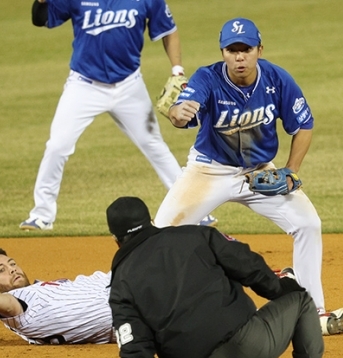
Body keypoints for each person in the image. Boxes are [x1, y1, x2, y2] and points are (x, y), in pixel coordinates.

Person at [154, 17, 343, 334]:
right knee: (159, 235)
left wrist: (290, 170)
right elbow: (182, 110)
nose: (239, 57)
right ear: (223, 53)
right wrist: (179, 114)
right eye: (232, 50)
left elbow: (303, 126)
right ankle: (141, 312)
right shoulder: (208, 78)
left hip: (258, 173)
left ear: (259, 49)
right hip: (209, 171)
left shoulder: (276, 79)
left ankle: (313, 312)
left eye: (245, 49)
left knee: (308, 224)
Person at [106, 196, 343, 358]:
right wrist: (279, 288)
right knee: (300, 299)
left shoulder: (120, 283)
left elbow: (134, 348)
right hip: (253, 346)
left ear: (115, 240)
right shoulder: (194, 235)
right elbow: (248, 265)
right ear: (151, 220)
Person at [19, 0, 216, 231]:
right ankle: (41, 215)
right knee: (57, 146)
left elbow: (169, 31)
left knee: (154, 145)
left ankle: (193, 210)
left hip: (129, 86)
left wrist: (177, 70)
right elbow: (40, 19)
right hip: (84, 86)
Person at [0, 248, 115, 345]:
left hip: (118, 282)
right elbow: (7, 305)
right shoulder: (19, 304)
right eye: (1, 270)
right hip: (123, 301)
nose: (12, 269)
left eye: (12, 264)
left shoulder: (38, 288)